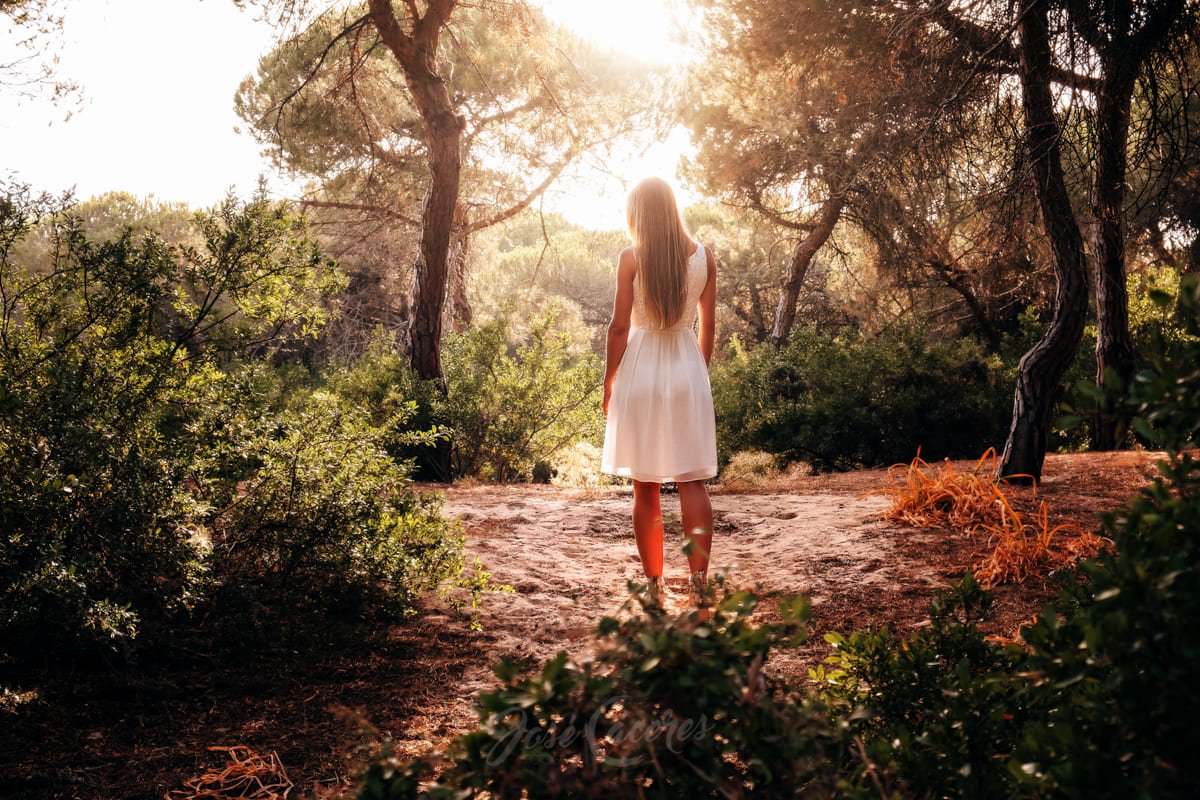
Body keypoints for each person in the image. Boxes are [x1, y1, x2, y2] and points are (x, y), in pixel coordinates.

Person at [601, 176, 718, 610]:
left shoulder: (631, 257)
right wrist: (696, 374)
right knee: (693, 481)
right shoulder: (704, 257)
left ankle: (654, 586)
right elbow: (708, 326)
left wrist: (609, 382)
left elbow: (617, 328)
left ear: (638, 214)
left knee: (645, 487)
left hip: (642, 370)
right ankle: (700, 582)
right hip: (687, 367)